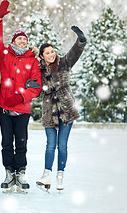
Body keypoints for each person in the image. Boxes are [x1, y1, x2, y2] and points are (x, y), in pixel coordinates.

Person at [0, 0, 42, 193]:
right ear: (13, 41)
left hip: (21, 108)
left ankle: (20, 172)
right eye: (19, 39)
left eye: (25, 39)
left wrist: (20, 98)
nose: (23, 41)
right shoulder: (4, 54)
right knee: (6, 142)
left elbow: (36, 86)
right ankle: (8, 172)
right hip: (4, 107)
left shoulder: (33, 60)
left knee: (21, 141)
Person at [36, 26, 87, 191]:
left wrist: (81, 40)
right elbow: (36, 89)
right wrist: (31, 84)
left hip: (66, 109)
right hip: (49, 111)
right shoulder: (39, 70)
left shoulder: (64, 63)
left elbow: (75, 52)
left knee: (62, 145)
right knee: (50, 144)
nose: (51, 54)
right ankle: (46, 175)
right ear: (42, 56)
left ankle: (60, 176)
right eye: (47, 53)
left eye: (52, 51)